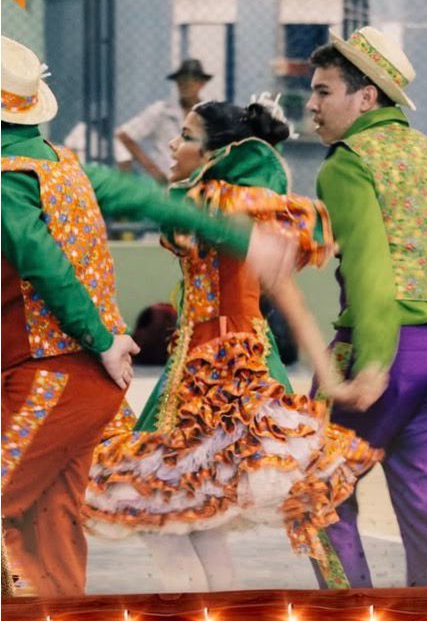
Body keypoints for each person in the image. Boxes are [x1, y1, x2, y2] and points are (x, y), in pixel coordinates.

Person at [0, 37, 290, 597]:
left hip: (51, 376)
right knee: (48, 527)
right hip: (91, 382)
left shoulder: (10, 176)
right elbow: (143, 198)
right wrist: (239, 237)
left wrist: (101, 337)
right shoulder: (63, 164)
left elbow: (44, 263)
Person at [83, 96, 380, 592]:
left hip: (222, 379)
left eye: (187, 137)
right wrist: (330, 379)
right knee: (192, 525)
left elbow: (284, 294)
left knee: (163, 519)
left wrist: (332, 379)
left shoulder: (224, 203)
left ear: (217, 153)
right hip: (205, 370)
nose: (173, 145)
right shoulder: (222, 204)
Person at [305, 26, 427, 588]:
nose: (311, 104)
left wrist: (375, 362)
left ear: (366, 98)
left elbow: (369, 269)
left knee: (317, 492)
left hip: (388, 352)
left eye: (323, 91)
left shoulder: (348, 161)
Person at [113, 59, 213, 184]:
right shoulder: (162, 111)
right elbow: (123, 135)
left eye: (192, 80)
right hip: (165, 182)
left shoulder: (211, 114)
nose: (187, 84)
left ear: (201, 83)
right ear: (177, 83)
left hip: (198, 181)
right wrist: (151, 168)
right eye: (182, 80)